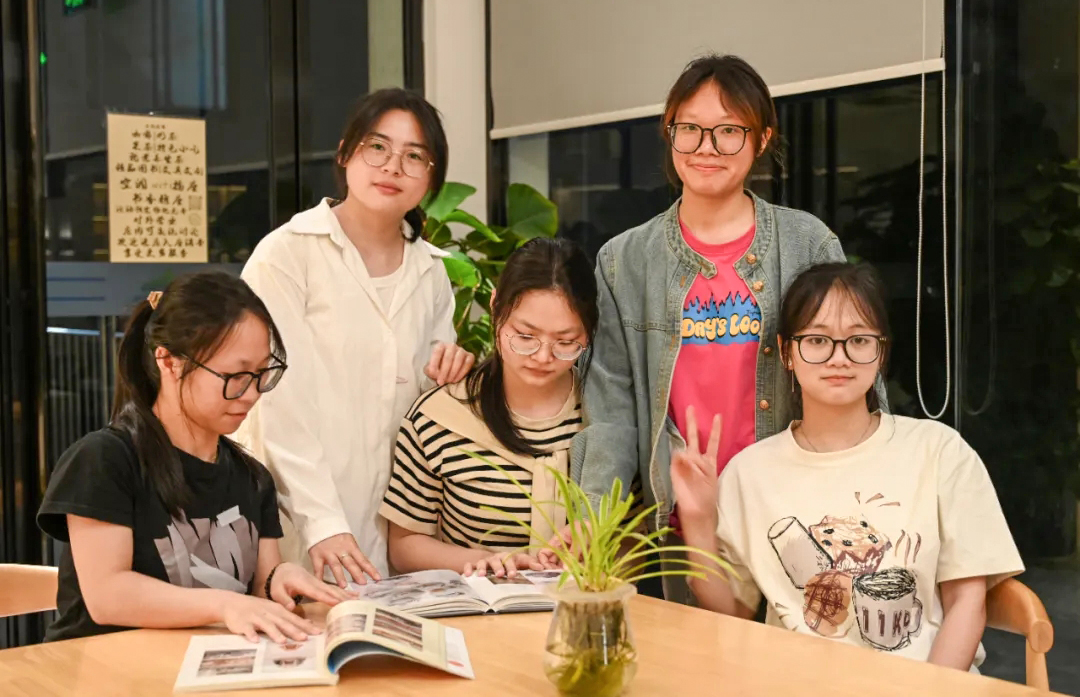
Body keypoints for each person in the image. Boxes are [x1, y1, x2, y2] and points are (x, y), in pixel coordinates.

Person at [571, 54, 885, 600]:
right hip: (683, 521)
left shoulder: (807, 244)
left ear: (761, 139)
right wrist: (595, 521)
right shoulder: (625, 261)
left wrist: (872, 496)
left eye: (728, 131)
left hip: (799, 509)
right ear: (669, 133)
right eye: (689, 129)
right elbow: (612, 408)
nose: (706, 147)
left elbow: (854, 371)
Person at [672, 262, 1023, 671]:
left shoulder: (939, 451)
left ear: (881, 351)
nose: (839, 358)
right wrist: (698, 522)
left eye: (858, 340)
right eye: (817, 340)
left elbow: (967, 602)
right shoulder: (749, 473)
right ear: (786, 352)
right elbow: (732, 612)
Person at [235, 89, 475, 587]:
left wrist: (451, 371)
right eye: (377, 147)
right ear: (345, 153)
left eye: (414, 156)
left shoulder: (431, 271)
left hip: (399, 526)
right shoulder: (287, 254)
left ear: (431, 178)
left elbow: (426, 407)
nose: (392, 167)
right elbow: (275, 400)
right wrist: (322, 522)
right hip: (298, 519)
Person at [38, 272, 349, 642]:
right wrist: (223, 605)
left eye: (262, 373)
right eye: (235, 375)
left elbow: (258, 590)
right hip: (99, 666)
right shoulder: (104, 461)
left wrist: (278, 578)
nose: (252, 393)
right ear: (169, 362)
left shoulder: (252, 477)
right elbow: (108, 596)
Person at [379, 238, 597, 578]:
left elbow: (635, 538)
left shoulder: (606, 417)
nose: (543, 356)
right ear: (495, 308)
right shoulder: (438, 418)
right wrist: (481, 561)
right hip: (479, 604)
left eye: (566, 342)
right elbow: (405, 544)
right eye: (525, 336)